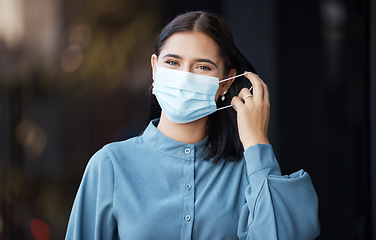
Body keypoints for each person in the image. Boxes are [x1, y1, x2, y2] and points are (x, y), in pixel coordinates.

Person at [65, 11, 320, 240]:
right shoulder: (110, 165)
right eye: (173, 63)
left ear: (226, 82)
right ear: (155, 68)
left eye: (202, 67)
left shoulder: (250, 173)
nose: (184, 76)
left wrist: (257, 144)